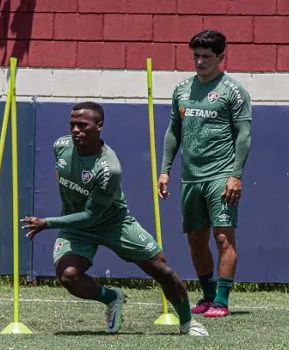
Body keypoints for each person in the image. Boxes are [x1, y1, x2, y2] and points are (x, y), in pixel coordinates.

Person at [21, 101, 208, 335]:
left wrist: (47, 223)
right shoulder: (60, 146)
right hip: (77, 226)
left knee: (162, 270)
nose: (76, 130)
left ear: (99, 126)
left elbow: (91, 214)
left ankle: (187, 323)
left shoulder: (109, 168)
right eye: (72, 125)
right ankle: (112, 297)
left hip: (114, 223)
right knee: (69, 277)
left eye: (83, 125)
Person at [158, 30, 252, 318]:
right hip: (190, 177)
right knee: (196, 240)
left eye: (206, 57)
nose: (199, 62)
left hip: (221, 175)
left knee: (223, 238)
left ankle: (222, 301)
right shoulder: (182, 90)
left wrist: (236, 175)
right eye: (196, 56)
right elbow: (174, 131)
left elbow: (244, 135)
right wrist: (165, 170)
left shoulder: (233, 91)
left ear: (221, 57)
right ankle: (208, 295)